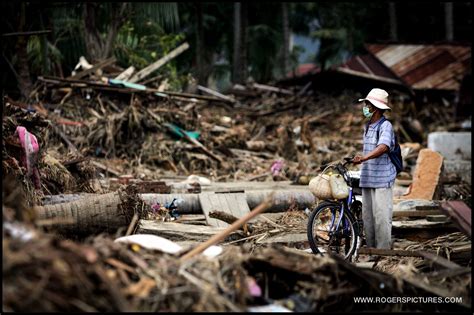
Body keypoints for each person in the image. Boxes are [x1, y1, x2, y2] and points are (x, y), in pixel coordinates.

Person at [352, 88, 396, 251]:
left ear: (375, 107)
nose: (365, 106)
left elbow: (383, 147)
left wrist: (364, 158)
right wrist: (361, 158)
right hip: (368, 177)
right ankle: (371, 249)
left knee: (382, 217)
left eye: (367, 104)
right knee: (368, 217)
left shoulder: (386, 126)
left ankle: (383, 252)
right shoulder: (368, 125)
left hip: (383, 178)